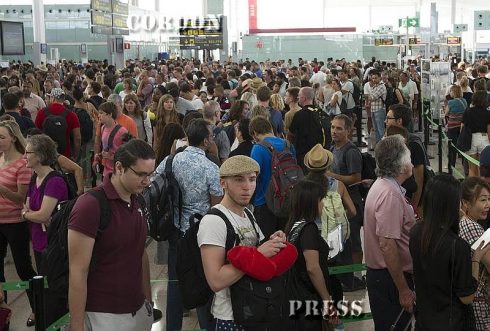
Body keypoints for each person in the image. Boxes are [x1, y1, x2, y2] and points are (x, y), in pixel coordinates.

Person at [68, 139, 154, 331]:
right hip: (103, 315)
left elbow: (140, 253)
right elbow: (77, 271)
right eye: (141, 174)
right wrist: (77, 326)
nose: (147, 181)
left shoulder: (138, 199)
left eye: (150, 174)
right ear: (119, 167)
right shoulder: (90, 206)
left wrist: (147, 302)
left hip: (139, 310)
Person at [198, 155, 287, 330]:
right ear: (223, 183)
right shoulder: (214, 221)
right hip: (229, 317)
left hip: (253, 310)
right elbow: (215, 280)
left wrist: (272, 243)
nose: (247, 187)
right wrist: (259, 254)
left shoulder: (248, 214)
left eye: (252, 179)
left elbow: (257, 254)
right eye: (239, 180)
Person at [155, 118, 223, 331]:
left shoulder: (169, 161)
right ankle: (206, 326)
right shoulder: (210, 167)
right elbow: (216, 206)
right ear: (205, 141)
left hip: (174, 229)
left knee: (174, 282)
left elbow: (155, 185)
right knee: (203, 281)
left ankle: (172, 327)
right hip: (201, 232)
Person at [410, 174, 489, 331]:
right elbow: (467, 297)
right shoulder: (456, 245)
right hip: (452, 322)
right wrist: (475, 259)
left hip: (425, 320)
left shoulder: (416, 233)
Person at [364, 134, 416, 331]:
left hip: (387, 276)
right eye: (409, 156)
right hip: (390, 279)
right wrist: (403, 290)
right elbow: (387, 244)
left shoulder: (384, 186)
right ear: (402, 164)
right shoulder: (390, 195)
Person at [22, 134, 69, 326]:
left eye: (28, 152)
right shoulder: (35, 178)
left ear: (40, 156)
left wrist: (27, 215)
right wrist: (30, 213)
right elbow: (29, 208)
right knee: (44, 289)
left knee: (54, 295)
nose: (24, 156)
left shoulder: (54, 181)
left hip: (54, 246)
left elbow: (41, 215)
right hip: (39, 241)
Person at [285, 180, 340, 330]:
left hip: (296, 295)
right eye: (321, 200)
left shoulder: (293, 226)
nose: (323, 204)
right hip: (309, 297)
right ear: (311, 202)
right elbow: (313, 268)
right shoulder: (309, 229)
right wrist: (327, 301)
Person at [0, 119, 37, 326]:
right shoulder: (0, 159)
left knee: (23, 268)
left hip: (15, 223)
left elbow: (22, 198)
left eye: (2, 137)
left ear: (13, 138)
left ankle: (37, 306)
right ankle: (2, 310)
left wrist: (3, 190)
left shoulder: (22, 164)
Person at [328, 114, 365, 291]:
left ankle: (357, 277)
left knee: (354, 242)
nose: (334, 131)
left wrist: (332, 176)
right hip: (336, 204)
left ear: (348, 131)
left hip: (352, 202)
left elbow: (356, 178)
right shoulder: (332, 148)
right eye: (333, 127)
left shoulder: (351, 152)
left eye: (339, 128)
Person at [250, 116, 294, 239]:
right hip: (287, 201)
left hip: (264, 202)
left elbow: (253, 176)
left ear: (254, 134)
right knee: (285, 242)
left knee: (266, 244)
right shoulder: (288, 145)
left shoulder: (258, 148)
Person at [459, 177, 490, 329]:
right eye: (483, 200)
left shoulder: (466, 222)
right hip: (480, 300)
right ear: (466, 203)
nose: (488, 205)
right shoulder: (473, 228)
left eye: (489, 199)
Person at [35, 88, 81, 159]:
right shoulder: (71, 115)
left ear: (53, 98)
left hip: (45, 155)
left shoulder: (42, 113)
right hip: (65, 155)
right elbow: (77, 137)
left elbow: (36, 134)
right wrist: (76, 155)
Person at [288, 87, 324, 170]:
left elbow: (290, 134)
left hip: (303, 156)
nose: (298, 98)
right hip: (320, 154)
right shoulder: (322, 113)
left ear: (303, 98)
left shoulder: (299, 115)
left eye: (299, 96)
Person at [93, 102, 129, 178]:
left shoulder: (122, 131)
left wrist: (112, 157)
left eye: (101, 113)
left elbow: (128, 152)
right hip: (106, 170)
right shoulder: (103, 128)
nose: (99, 115)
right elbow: (102, 145)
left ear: (110, 114)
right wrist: (98, 156)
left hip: (118, 172)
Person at [462, 91, 490, 177]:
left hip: (470, 139)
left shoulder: (468, 111)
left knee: (471, 168)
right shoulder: (488, 113)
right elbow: (489, 129)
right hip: (484, 138)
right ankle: (482, 188)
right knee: (482, 167)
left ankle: (472, 188)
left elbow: (462, 127)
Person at [445, 85, 467, 169]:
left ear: (453, 92)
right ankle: (464, 166)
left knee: (452, 147)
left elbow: (446, 113)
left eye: (450, 91)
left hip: (452, 127)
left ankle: (451, 166)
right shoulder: (464, 101)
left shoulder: (450, 102)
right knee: (462, 146)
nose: (449, 92)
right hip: (462, 126)